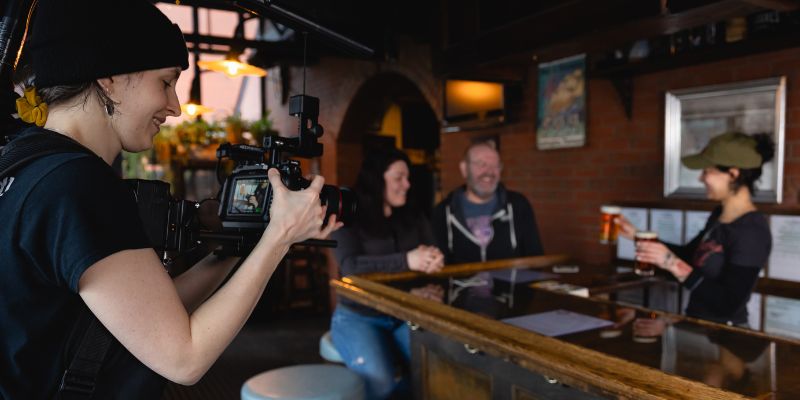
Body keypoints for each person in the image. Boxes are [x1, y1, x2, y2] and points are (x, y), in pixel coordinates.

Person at [0, 0, 340, 398]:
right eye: (165, 81)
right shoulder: (77, 184)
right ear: (108, 77)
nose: (175, 107)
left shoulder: (26, 166)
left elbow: (150, 317)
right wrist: (280, 236)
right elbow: (185, 357)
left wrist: (232, 248)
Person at [618, 132, 774, 326]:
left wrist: (670, 263)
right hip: (698, 330)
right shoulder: (719, 215)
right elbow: (689, 257)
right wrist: (637, 235)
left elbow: (728, 305)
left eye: (707, 170)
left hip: (726, 339)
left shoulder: (752, 231)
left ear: (733, 173)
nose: (701, 178)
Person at [330, 146, 444, 400]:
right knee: (381, 383)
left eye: (407, 178)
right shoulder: (347, 214)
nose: (407, 184)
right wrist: (408, 260)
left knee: (434, 371)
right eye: (398, 178)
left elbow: (430, 250)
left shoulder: (413, 213)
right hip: (358, 316)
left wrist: (433, 261)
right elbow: (350, 267)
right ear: (376, 178)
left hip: (404, 312)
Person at [432, 140, 544, 264]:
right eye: (481, 164)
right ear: (464, 169)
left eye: (495, 165)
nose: (489, 172)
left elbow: (535, 259)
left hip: (510, 283)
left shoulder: (518, 205)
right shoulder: (443, 212)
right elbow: (438, 267)